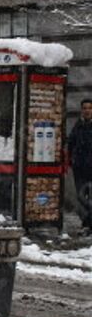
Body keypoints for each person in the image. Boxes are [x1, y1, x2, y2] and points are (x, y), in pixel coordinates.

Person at [68, 98, 92, 235]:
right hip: (80, 169)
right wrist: (72, 160)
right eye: (85, 108)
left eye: (89, 108)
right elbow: (71, 143)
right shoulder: (78, 125)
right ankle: (86, 223)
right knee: (81, 197)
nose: (87, 110)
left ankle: (87, 225)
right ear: (82, 110)